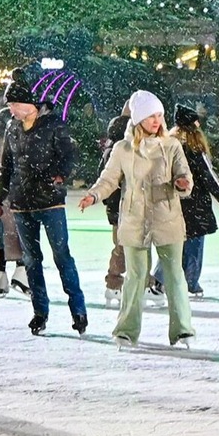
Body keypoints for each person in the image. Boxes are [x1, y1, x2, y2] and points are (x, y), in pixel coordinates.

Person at [80, 91, 194, 347]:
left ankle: (183, 329)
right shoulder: (122, 149)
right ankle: (126, 330)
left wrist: (182, 182)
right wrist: (93, 196)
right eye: (151, 115)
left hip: (167, 218)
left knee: (175, 275)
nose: (157, 120)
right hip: (134, 220)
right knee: (136, 276)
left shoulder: (172, 145)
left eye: (160, 115)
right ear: (139, 118)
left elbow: (184, 174)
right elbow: (108, 180)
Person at [0, 69, 87, 336]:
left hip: (50, 202)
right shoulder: (12, 129)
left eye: (13, 105)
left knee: (61, 256)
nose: (10, 110)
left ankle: (78, 310)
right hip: (21, 203)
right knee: (32, 260)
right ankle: (40, 312)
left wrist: (61, 174)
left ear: (27, 105)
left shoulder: (54, 124)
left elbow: (70, 156)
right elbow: (6, 167)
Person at [154, 104, 219, 297]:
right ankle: (191, 283)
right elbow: (209, 177)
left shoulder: (166, 146)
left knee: (172, 244)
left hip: (172, 202)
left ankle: (158, 280)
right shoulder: (195, 148)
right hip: (195, 204)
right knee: (194, 245)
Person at [0, 107, 26, 297]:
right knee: (20, 237)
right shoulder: (15, 142)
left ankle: (1, 278)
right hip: (14, 195)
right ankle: (21, 274)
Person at [100, 103, 133, 306]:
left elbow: (102, 178)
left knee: (122, 246)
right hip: (126, 206)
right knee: (129, 247)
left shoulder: (109, 149)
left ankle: (114, 284)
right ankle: (114, 284)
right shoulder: (125, 149)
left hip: (115, 208)